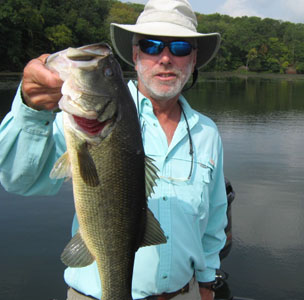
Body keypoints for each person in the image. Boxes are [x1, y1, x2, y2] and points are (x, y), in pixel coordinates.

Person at [0, 0, 227, 299]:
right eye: (151, 46)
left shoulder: (207, 132)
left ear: (194, 58)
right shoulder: (80, 124)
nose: (165, 58)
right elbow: (19, 180)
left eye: (181, 48)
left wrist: (207, 283)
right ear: (135, 54)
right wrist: (32, 109)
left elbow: (214, 220)